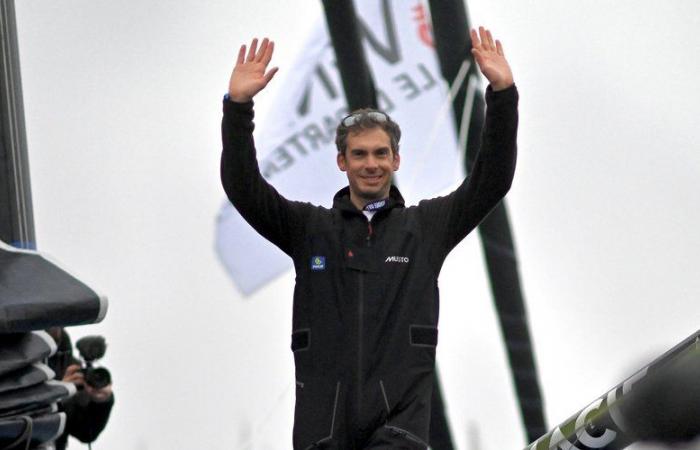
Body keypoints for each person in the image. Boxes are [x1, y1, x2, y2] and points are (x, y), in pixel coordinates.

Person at [221, 27, 517, 449]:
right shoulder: (310, 230)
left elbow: (492, 181)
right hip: (323, 428)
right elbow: (244, 188)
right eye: (359, 154)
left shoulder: (425, 227)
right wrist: (238, 108)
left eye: (381, 153)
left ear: (396, 158)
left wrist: (502, 96)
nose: (371, 164)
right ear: (342, 161)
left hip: (399, 428)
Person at [47, 328, 114, 450]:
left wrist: (100, 402)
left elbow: (85, 432)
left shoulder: (71, 367)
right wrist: (58, 394)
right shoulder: (12, 355)